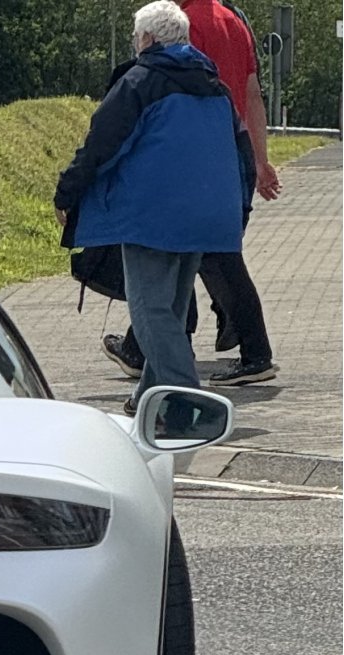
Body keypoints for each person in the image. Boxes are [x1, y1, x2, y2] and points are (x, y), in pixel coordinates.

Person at [54, 1, 255, 416]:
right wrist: (240, 208)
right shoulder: (215, 86)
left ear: (147, 39)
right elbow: (242, 154)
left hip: (152, 216)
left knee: (151, 311)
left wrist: (67, 193)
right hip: (209, 217)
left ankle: (184, 402)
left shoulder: (140, 81)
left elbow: (102, 145)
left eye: (135, 37)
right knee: (174, 307)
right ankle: (151, 398)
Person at [101, 0, 280, 386]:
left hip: (193, 152)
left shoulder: (183, 24)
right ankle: (150, 354)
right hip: (232, 146)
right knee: (210, 256)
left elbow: (170, 87)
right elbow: (251, 93)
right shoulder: (234, 20)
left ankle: (242, 354)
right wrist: (260, 160)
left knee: (191, 258)